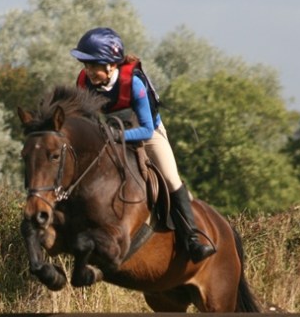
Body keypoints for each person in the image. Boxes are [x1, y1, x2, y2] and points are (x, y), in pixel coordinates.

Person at [70, 27, 215, 263]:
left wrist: (115, 136)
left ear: (111, 65)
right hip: (111, 134)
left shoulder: (133, 84)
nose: (89, 71)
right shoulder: (83, 81)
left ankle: (193, 239)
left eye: (94, 65)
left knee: (171, 179)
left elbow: (147, 129)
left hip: (148, 134)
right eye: (86, 64)